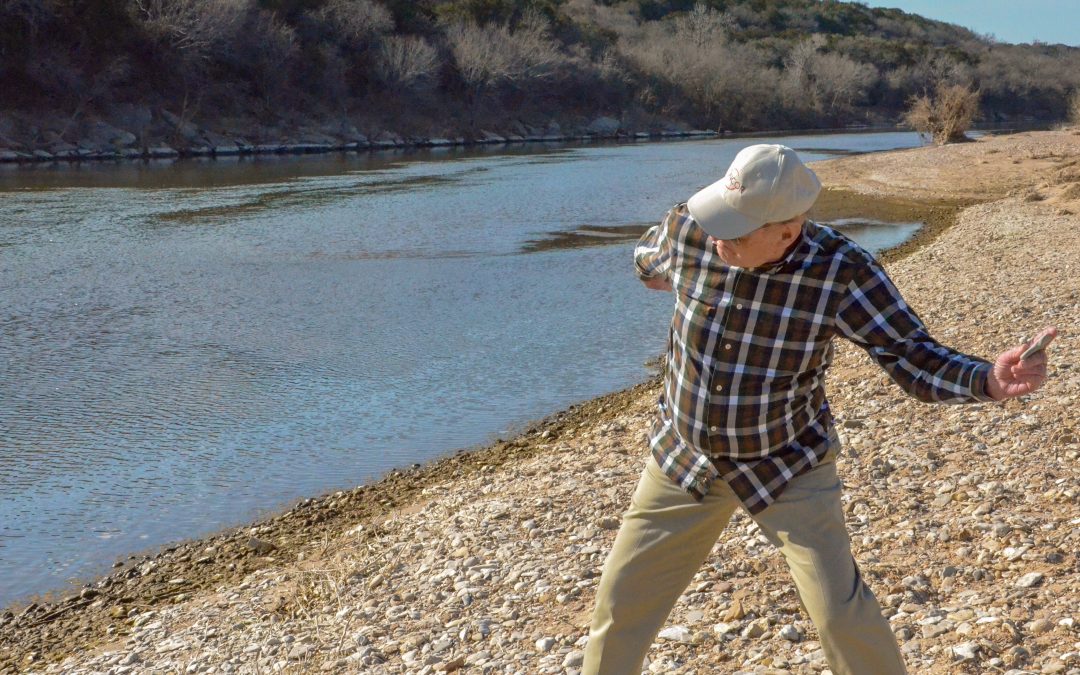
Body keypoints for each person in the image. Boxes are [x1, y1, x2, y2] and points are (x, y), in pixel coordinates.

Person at [581, 144, 1056, 675]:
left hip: (786, 464)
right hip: (683, 458)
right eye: (717, 217)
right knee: (620, 608)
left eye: (736, 232)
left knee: (839, 616)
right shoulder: (692, 227)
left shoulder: (841, 271)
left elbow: (909, 354)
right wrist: (660, 271)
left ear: (787, 231)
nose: (716, 238)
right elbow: (651, 259)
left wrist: (987, 379)